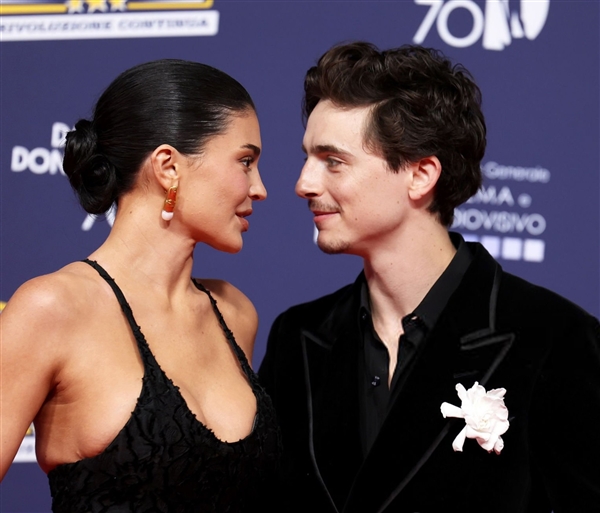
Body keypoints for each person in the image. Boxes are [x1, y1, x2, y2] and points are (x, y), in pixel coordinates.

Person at [259, 42, 600, 513]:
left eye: (332, 161)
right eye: (306, 159)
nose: (303, 184)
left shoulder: (554, 338)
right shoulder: (297, 338)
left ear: (420, 175)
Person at [1, 59, 281, 512]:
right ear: (168, 167)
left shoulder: (235, 313)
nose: (260, 188)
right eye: (245, 162)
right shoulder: (52, 309)